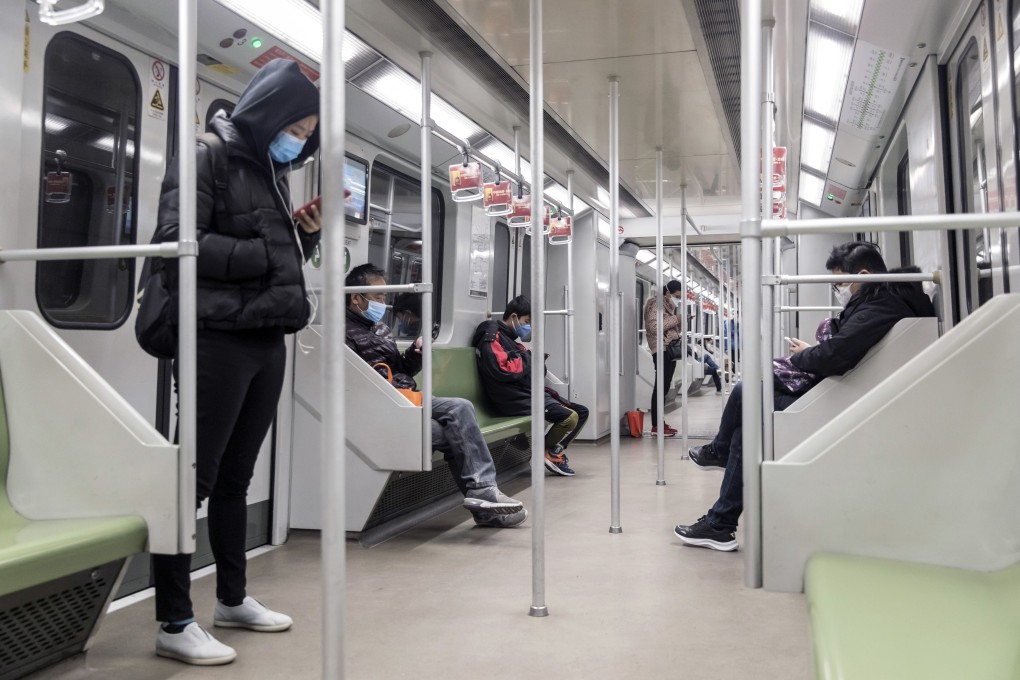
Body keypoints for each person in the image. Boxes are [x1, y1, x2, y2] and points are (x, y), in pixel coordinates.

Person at [150, 60, 322, 665]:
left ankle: (231, 598)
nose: (298, 139)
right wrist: (260, 253)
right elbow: (177, 244)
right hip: (214, 338)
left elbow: (273, 257)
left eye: (306, 132)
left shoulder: (273, 174)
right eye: (296, 127)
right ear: (270, 114)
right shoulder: (207, 157)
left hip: (265, 336)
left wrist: (304, 238)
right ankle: (173, 619)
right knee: (189, 481)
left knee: (236, 479)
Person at [674, 242, 936, 551]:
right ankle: (721, 522)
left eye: (840, 283)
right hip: (843, 392)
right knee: (748, 427)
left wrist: (804, 355)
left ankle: (719, 469)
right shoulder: (879, 302)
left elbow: (833, 356)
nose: (840, 290)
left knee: (747, 395)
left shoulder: (880, 307)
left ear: (863, 274)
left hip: (842, 403)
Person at [344, 264, 528, 529]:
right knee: (455, 422)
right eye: (378, 298)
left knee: (458, 417)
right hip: (383, 403)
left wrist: (416, 352)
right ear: (356, 297)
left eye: (385, 298)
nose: (384, 304)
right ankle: (484, 498)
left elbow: (402, 369)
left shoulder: (381, 330)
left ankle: (483, 496)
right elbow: (355, 384)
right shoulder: (343, 332)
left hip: (407, 396)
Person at [472, 296, 589, 476]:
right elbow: (504, 370)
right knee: (569, 418)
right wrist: (529, 358)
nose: (528, 327)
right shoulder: (492, 336)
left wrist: (532, 359)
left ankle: (552, 452)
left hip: (524, 393)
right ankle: (542, 452)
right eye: (527, 321)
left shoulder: (512, 341)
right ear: (513, 316)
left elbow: (537, 369)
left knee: (582, 412)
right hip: (510, 398)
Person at [644, 280, 684, 435]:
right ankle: (656, 425)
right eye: (676, 296)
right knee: (660, 387)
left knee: (665, 387)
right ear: (667, 293)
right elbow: (654, 327)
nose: (677, 299)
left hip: (668, 349)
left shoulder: (668, 306)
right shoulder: (656, 305)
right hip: (661, 349)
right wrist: (678, 319)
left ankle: (660, 422)